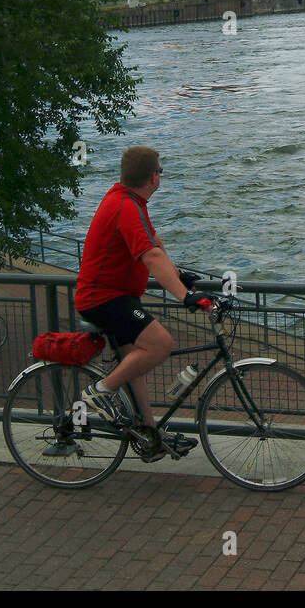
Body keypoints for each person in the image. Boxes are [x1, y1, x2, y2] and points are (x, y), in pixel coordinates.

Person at [73, 146, 210, 462]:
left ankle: (149, 436)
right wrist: (184, 296)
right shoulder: (125, 206)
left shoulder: (130, 202)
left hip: (114, 296)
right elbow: (150, 256)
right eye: (160, 171)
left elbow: (154, 244)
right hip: (104, 299)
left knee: (133, 364)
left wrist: (178, 276)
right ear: (153, 177)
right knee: (160, 344)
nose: (160, 175)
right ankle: (99, 393)